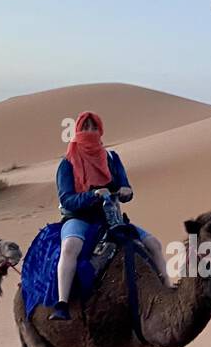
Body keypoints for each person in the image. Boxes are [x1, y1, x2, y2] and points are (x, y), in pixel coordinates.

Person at [51, 111, 168, 321]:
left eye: (93, 127)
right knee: (70, 248)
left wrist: (126, 191)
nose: (89, 132)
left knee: (153, 243)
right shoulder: (67, 163)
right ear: (77, 131)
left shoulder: (111, 158)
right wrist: (92, 195)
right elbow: (67, 199)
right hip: (79, 218)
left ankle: (167, 289)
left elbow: (125, 187)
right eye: (84, 128)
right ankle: (62, 302)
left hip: (111, 217)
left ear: (100, 130)